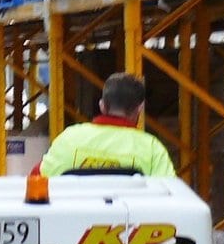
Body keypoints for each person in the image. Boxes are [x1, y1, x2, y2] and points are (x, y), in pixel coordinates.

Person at [38, 72, 177, 179]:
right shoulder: (152, 148)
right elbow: (169, 194)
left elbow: (39, 177)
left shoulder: (69, 138)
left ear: (102, 105)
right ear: (140, 108)